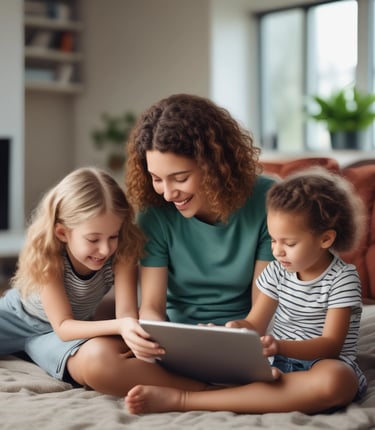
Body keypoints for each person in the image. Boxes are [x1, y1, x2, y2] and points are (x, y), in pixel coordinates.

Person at [125, 166, 367, 414]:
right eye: (273, 240)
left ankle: (184, 400)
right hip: (278, 363)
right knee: (261, 373)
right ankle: (266, 392)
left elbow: (330, 345)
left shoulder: (342, 278)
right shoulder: (277, 271)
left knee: (336, 381)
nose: (277, 251)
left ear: (325, 239)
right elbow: (254, 323)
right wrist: (229, 331)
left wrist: (280, 346)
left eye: (289, 243)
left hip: (322, 363)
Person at [0, 167, 207, 396]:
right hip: (16, 320)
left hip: (54, 336)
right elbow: (64, 326)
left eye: (113, 236)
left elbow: (125, 314)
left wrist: (130, 329)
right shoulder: (49, 256)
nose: (105, 249)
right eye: (93, 239)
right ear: (62, 233)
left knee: (107, 358)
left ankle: (205, 389)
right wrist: (121, 326)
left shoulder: (123, 251)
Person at [123, 93, 275, 363]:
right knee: (98, 364)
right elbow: (152, 307)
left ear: (215, 166)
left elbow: (262, 307)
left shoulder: (268, 201)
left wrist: (241, 332)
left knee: (332, 382)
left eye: (180, 178)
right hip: (176, 341)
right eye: (157, 179)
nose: (168, 194)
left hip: (245, 337)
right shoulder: (154, 214)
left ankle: (189, 394)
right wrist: (150, 337)